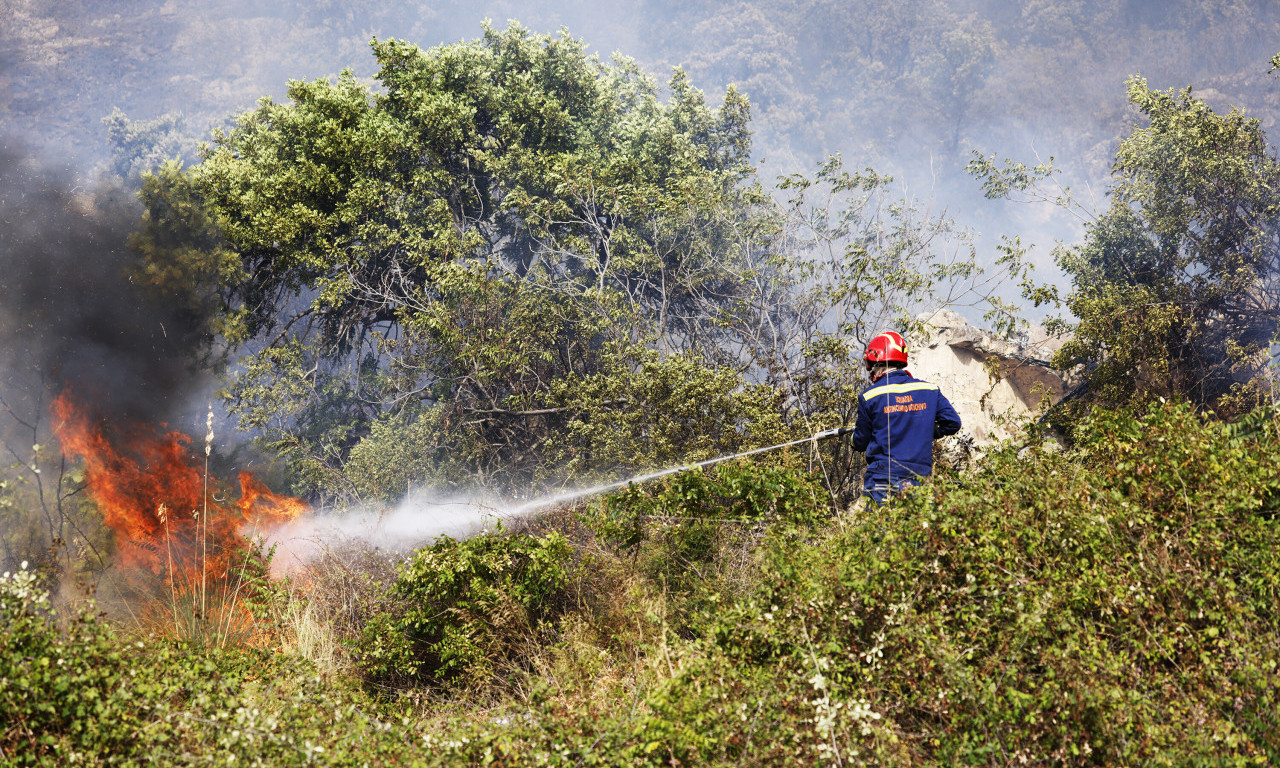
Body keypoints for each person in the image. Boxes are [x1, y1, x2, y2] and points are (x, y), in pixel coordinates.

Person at [848, 330, 962, 503]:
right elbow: (953, 423)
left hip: (882, 478)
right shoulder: (929, 390)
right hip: (920, 478)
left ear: (878, 362)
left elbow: (860, 442)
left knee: (880, 528)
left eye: (871, 365)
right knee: (917, 528)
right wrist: (925, 430)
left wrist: (853, 438)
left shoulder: (870, 396)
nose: (871, 371)